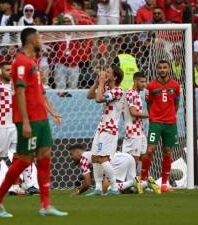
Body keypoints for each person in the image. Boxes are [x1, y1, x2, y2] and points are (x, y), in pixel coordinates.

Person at [0, 27, 67, 218]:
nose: (41, 40)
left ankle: (45, 205)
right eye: (39, 37)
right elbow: (20, 92)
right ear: (31, 40)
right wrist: (25, 121)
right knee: (24, 159)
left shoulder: (32, 62)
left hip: (41, 118)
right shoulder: (21, 62)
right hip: (29, 119)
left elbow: (40, 93)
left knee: (45, 154)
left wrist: (52, 113)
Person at [0, 62, 39, 196]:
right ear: (0, 71)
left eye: (12, 70)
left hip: (16, 125)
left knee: (23, 154)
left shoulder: (17, 86)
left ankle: (29, 185)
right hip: (1, 126)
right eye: (7, 70)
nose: (10, 72)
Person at [140, 60, 180, 193]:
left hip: (170, 124)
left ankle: (164, 183)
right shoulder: (150, 86)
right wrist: (154, 117)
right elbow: (149, 104)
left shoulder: (175, 85)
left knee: (168, 151)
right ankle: (143, 181)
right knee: (150, 150)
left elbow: (176, 104)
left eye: (165, 67)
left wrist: (171, 116)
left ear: (169, 69)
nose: (162, 70)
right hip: (156, 123)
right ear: (156, 69)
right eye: (160, 68)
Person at [86, 64, 124, 196]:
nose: (104, 73)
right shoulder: (106, 87)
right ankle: (97, 188)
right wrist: (97, 83)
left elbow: (99, 99)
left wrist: (101, 83)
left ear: (115, 77)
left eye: (108, 72)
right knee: (95, 157)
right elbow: (89, 96)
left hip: (109, 128)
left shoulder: (118, 91)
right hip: (101, 127)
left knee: (103, 158)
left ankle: (114, 188)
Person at [69, 144, 161, 194]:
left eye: (71, 154)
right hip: (127, 157)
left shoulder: (83, 158)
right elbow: (94, 175)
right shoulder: (91, 155)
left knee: (109, 189)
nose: (71, 158)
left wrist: (78, 192)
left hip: (118, 160)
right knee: (129, 190)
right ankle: (147, 183)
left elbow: (87, 183)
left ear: (78, 152)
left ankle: (133, 182)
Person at [122, 72, 149, 179]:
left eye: (145, 81)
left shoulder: (136, 94)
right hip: (133, 131)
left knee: (144, 155)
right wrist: (150, 115)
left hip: (140, 130)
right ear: (135, 81)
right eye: (142, 82)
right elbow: (133, 112)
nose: (144, 84)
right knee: (134, 159)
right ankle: (131, 182)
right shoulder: (131, 93)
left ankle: (142, 180)